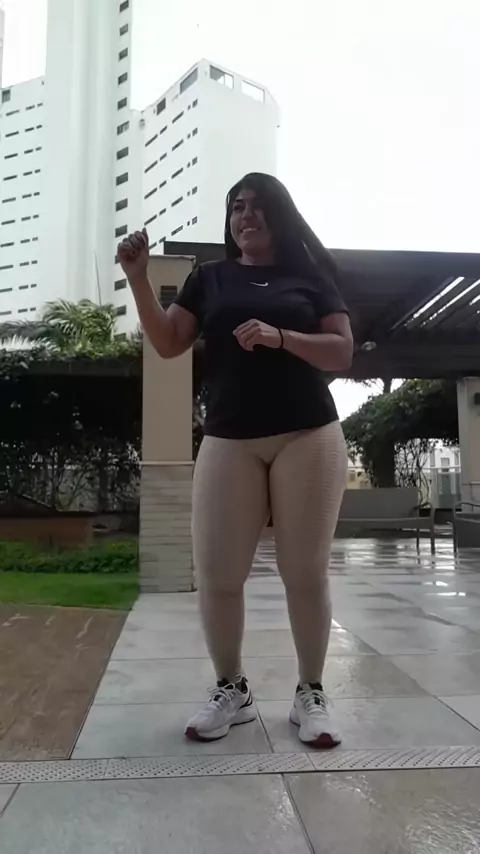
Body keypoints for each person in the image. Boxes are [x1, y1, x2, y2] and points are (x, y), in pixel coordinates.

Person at [117, 172, 353, 749]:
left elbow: (342, 351)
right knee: (219, 574)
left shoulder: (310, 277)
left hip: (307, 432)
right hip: (229, 436)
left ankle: (310, 692)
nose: (245, 215)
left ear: (279, 214)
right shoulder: (210, 278)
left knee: (304, 571)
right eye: (236, 207)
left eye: (256, 206)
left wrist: (281, 336)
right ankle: (232, 689)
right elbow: (169, 342)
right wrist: (138, 279)